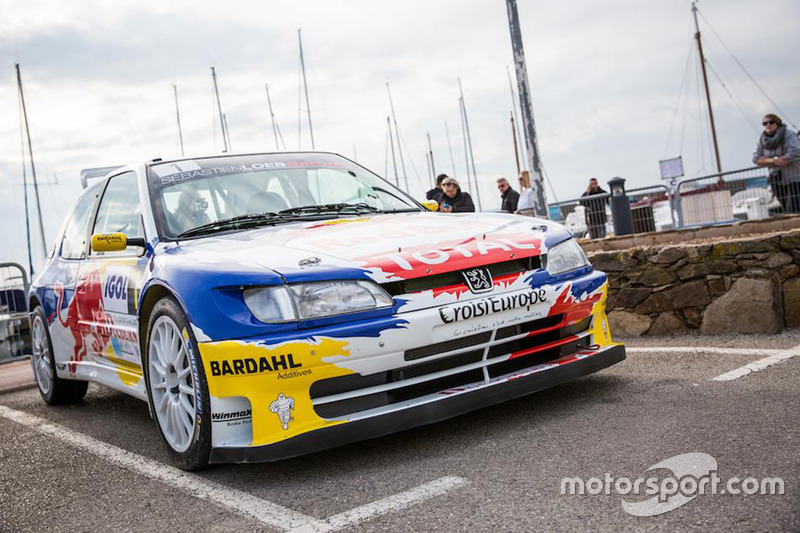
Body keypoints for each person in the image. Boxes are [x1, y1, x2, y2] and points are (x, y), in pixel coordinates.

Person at [753, 114, 800, 214]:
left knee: (794, 207)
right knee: (786, 208)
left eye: (771, 122)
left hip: (794, 178)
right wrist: (773, 161)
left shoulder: (789, 134)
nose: (768, 125)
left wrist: (785, 158)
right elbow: (756, 158)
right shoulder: (762, 140)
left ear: (778, 123)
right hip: (776, 179)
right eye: (765, 123)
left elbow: (795, 150)